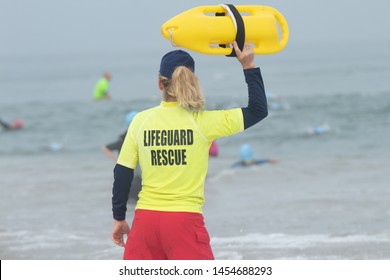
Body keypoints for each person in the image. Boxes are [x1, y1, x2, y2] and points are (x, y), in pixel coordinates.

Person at [111, 41, 268, 260]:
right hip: (183, 222)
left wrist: (119, 218)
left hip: (144, 223)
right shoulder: (203, 122)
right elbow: (258, 110)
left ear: (159, 83)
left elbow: (122, 171)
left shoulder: (140, 121)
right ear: (192, 81)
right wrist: (248, 65)